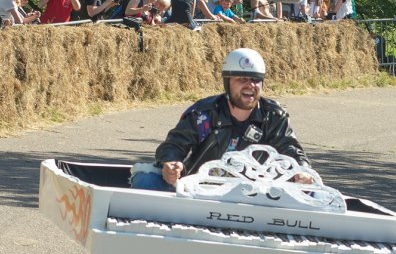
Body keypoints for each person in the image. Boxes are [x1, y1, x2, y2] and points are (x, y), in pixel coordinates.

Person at [130, 48, 313, 191]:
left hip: (254, 194)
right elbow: (174, 145)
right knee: (145, 180)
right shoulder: (204, 113)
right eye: (241, 79)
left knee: (311, 191)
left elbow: (291, 149)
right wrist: (170, 164)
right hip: (200, 189)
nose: (250, 85)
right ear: (227, 83)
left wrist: (302, 171)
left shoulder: (273, 116)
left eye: (255, 80)